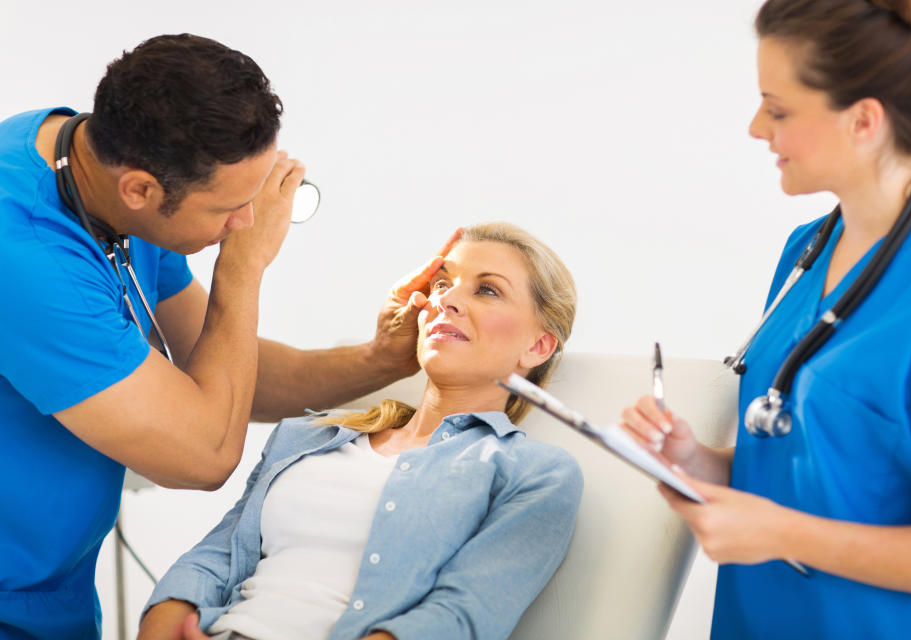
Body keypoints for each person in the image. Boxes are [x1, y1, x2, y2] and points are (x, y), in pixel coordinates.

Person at [0, 34, 456, 638]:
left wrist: (379, 359)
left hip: (50, 590)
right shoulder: (25, 256)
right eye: (229, 210)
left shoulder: (99, 174)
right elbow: (205, 453)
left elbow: (220, 370)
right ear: (140, 189)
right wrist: (243, 265)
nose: (247, 223)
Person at [621, 0, 911, 637]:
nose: (755, 127)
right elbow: (804, 465)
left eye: (777, 109)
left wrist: (784, 533)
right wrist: (699, 461)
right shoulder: (806, 252)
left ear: (863, 120)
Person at [135, 222, 582, 640]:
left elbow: (462, 615)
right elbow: (219, 555)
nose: (445, 300)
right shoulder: (307, 436)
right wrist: (164, 622)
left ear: (537, 346)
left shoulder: (536, 474)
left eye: (487, 290)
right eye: (442, 284)